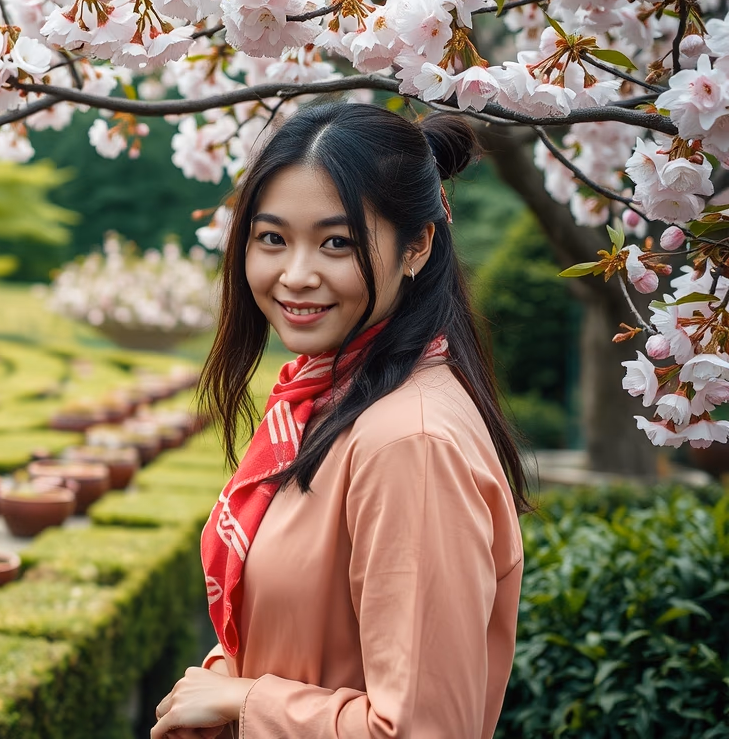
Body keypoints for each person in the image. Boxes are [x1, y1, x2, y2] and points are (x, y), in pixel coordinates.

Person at [150, 102, 529, 739]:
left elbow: (425, 729)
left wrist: (247, 702)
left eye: (337, 243)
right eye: (272, 238)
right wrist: (222, 688)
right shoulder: (329, 397)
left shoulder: (409, 443)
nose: (296, 276)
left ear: (417, 246)